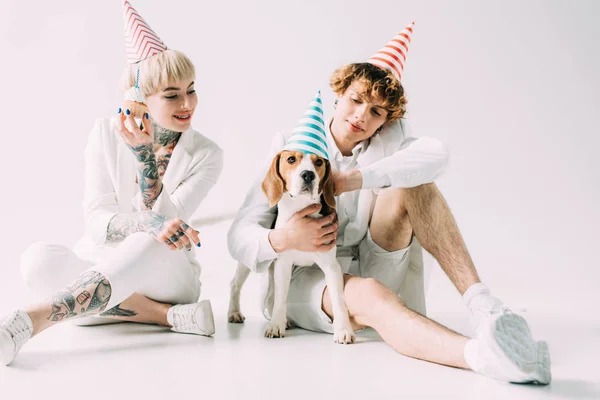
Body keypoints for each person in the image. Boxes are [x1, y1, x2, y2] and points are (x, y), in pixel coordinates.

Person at [227, 22, 551, 384]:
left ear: (385, 122)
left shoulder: (386, 150)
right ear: (339, 95)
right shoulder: (292, 149)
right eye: (356, 100)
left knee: (417, 184)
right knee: (368, 293)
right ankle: (482, 355)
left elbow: (437, 156)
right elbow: (238, 235)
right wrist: (283, 239)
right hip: (306, 279)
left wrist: (352, 179)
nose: (362, 116)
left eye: (377, 111)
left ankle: (484, 306)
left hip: (372, 260)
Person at [0, 1, 223, 366]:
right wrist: (146, 218)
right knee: (36, 262)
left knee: (153, 235)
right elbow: (97, 220)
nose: (188, 103)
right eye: (172, 94)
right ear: (138, 98)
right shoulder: (103, 133)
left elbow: (168, 224)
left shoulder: (208, 154)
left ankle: (29, 321)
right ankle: (163, 316)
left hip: (169, 273)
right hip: (105, 260)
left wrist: (145, 158)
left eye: (191, 89)